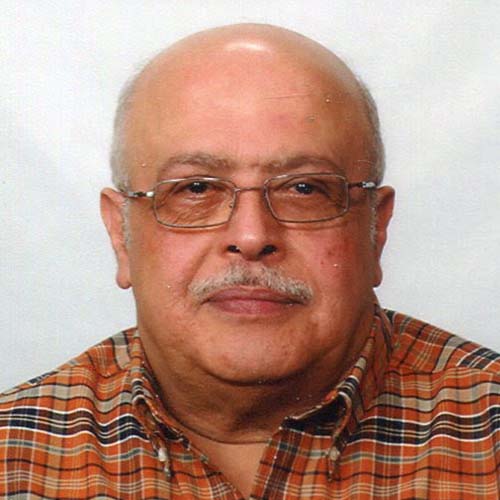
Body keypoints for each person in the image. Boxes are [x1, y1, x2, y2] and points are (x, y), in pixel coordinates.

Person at [0, 23, 498, 499]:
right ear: (120, 233)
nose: (252, 235)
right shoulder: (12, 455)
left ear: (376, 229)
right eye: (195, 189)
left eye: (305, 189)